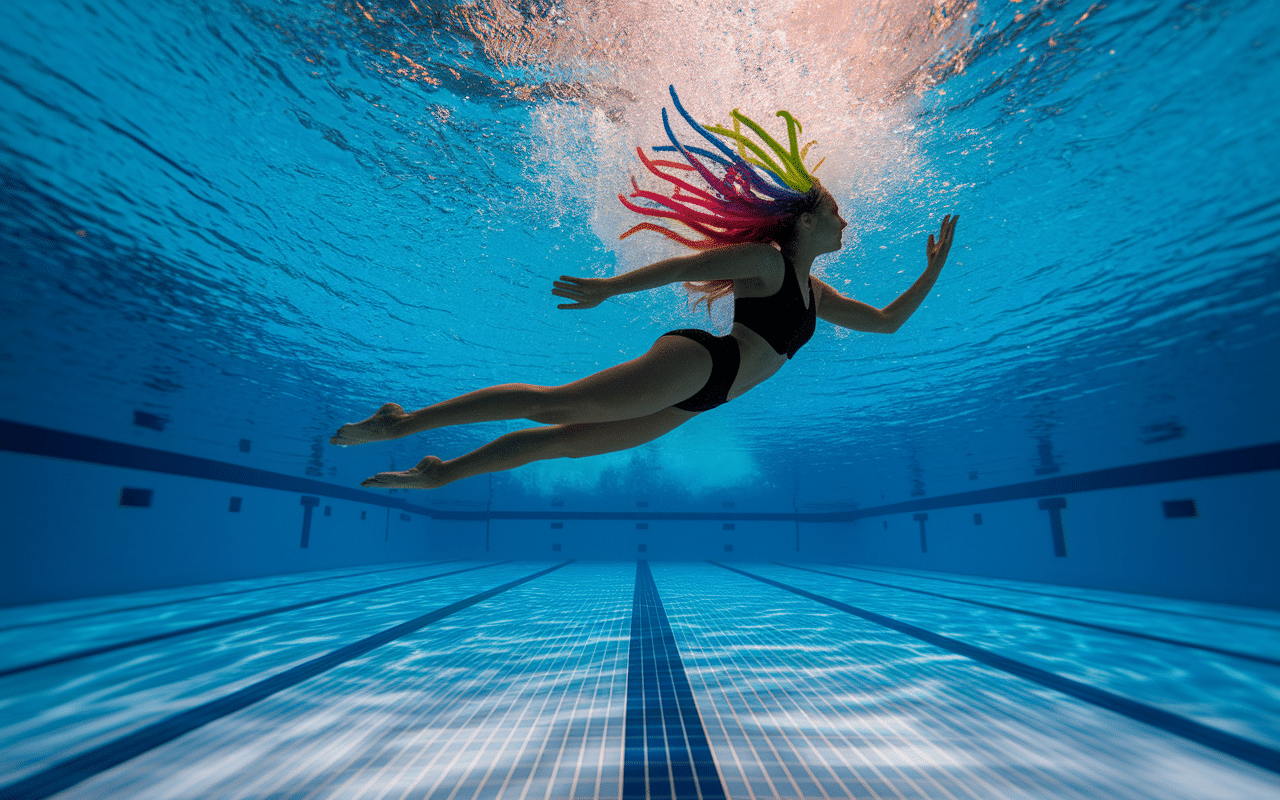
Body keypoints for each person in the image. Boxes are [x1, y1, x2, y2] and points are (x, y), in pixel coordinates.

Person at [332, 87, 958, 489]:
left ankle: (444, 472)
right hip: (703, 363)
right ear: (806, 221)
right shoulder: (767, 260)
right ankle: (403, 421)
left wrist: (930, 272)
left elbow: (886, 322)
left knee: (568, 441)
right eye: (836, 213)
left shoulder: (815, 291)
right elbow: (684, 266)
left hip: (699, 400)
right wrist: (610, 288)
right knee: (556, 405)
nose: (845, 222)